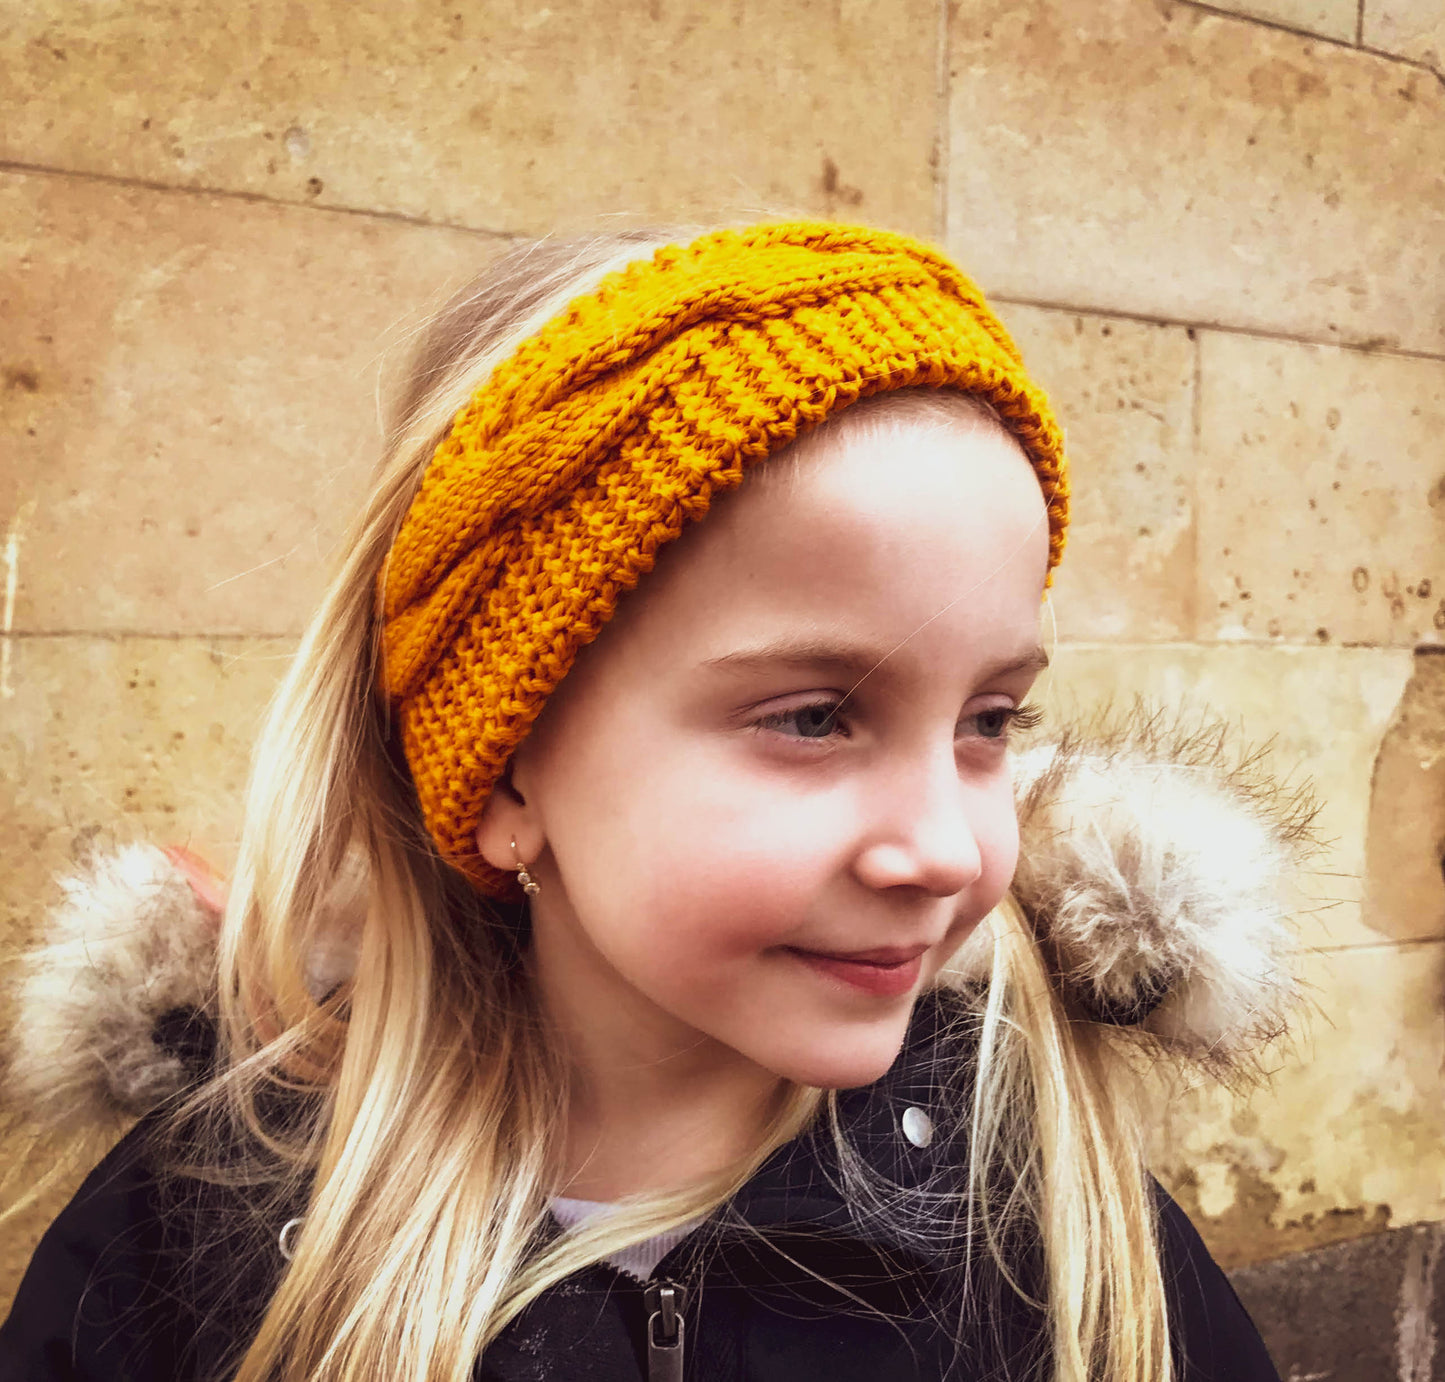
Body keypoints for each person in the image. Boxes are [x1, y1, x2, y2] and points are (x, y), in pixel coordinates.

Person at [0, 222, 1296, 1381]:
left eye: (988, 722)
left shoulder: (1054, 1221)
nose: (949, 849)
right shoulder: (188, 1246)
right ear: (509, 769)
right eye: (813, 717)